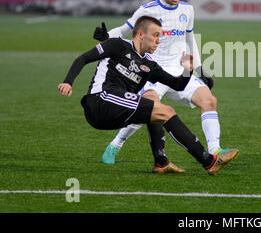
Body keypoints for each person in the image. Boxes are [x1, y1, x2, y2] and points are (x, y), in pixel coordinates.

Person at [58, 15, 238, 175]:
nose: (158, 41)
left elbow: (177, 84)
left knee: (158, 111)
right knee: (161, 109)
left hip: (114, 113)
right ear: (140, 34)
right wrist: (68, 81)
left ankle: (161, 162)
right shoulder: (118, 45)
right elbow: (83, 58)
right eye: (156, 36)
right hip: (99, 101)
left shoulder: (149, 64)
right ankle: (209, 162)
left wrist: (186, 71)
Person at [93, 0, 237, 168]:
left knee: (209, 100)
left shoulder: (188, 9)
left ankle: (215, 151)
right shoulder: (147, 10)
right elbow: (124, 30)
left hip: (178, 72)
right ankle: (115, 145)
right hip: (152, 73)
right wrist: (105, 35)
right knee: (147, 111)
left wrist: (201, 68)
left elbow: (190, 39)